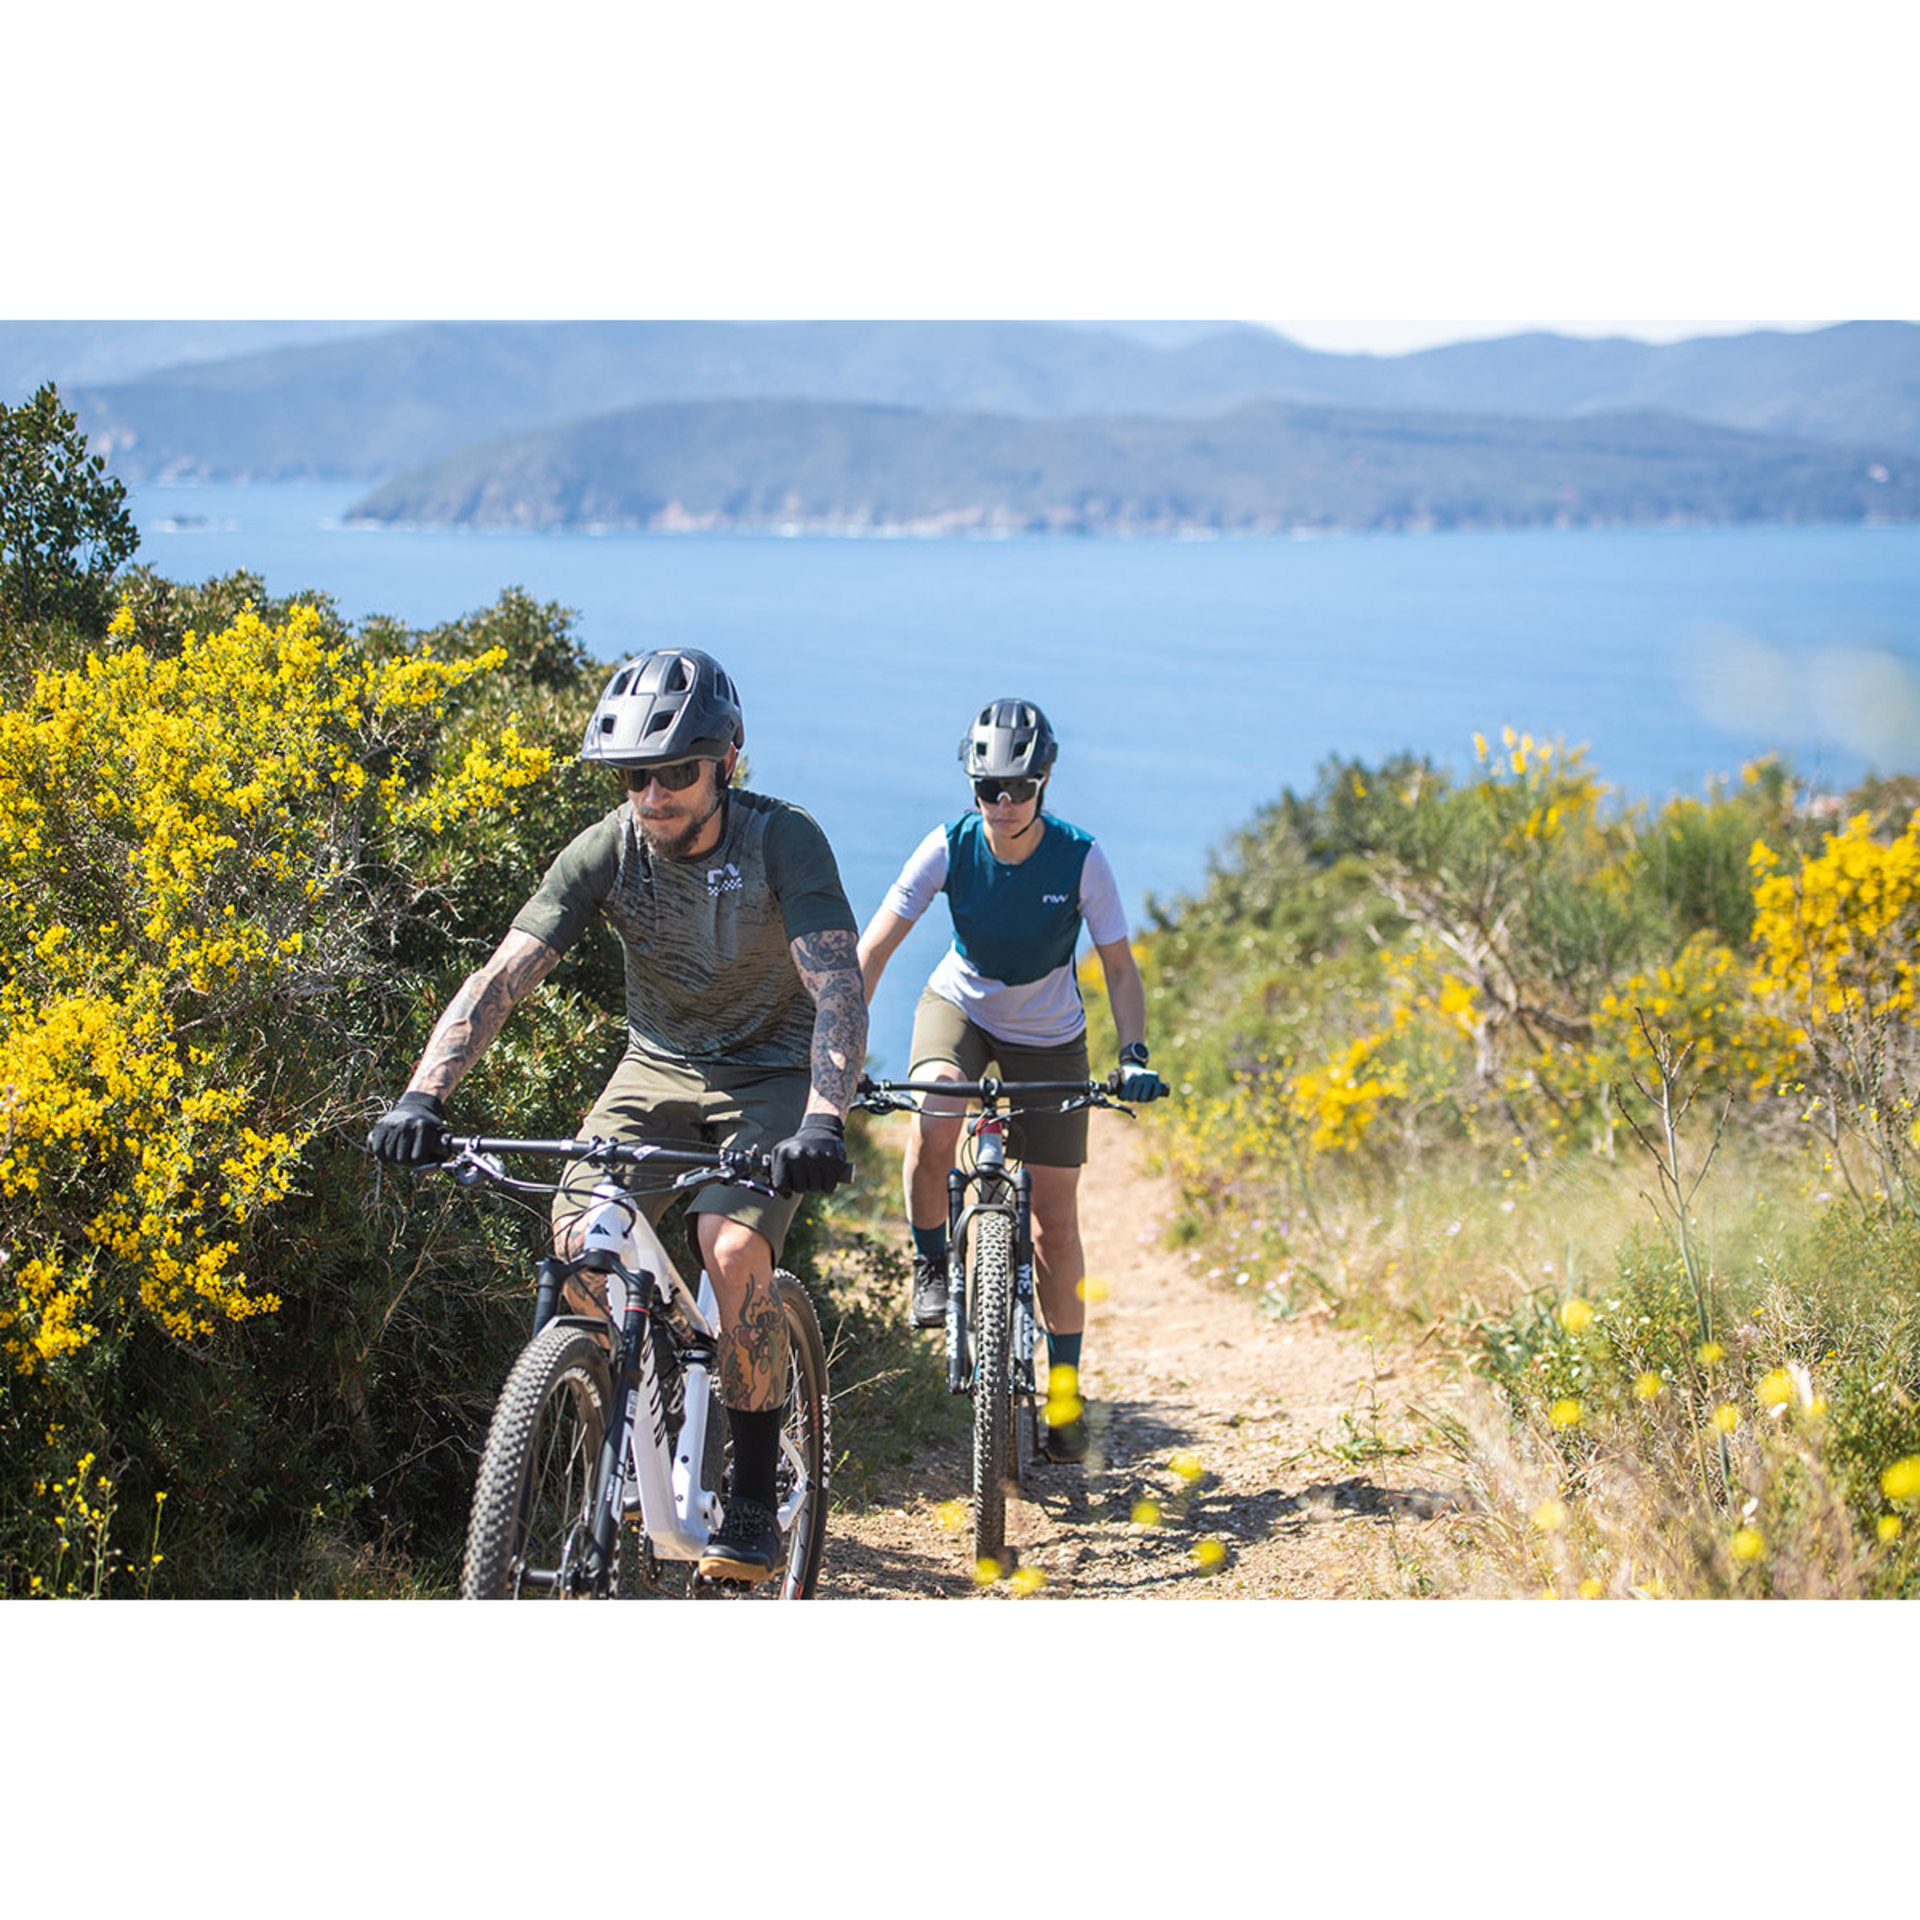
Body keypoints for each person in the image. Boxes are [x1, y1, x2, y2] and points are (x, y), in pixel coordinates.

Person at [369, 647, 866, 1583]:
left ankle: (751, 1491)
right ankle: (635, 1404)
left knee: (730, 1248)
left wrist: (822, 1121)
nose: (654, 795)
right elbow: (503, 977)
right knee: (578, 1241)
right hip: (655, 1069)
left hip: (768, 1074)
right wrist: (423, 1096)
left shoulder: (782, 840)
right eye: (636, 776)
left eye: (677, 772)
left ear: (727, 761)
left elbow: (837, 984)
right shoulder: (608, 848)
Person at [856, 697, 1165, 1463]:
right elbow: (875, 949)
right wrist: (838, 1045)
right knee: (934, 1115)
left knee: (1055, 1218)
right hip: (960, 1006)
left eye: (1018, 788)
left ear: (1044, 783)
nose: (1002, 804)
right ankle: (932, 1261)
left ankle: (1064, 1396)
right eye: (987, 788)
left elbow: (1119, 969)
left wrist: (1133, 1054)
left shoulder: (1081, 858)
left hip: (1050, 1034)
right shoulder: (949, 846)